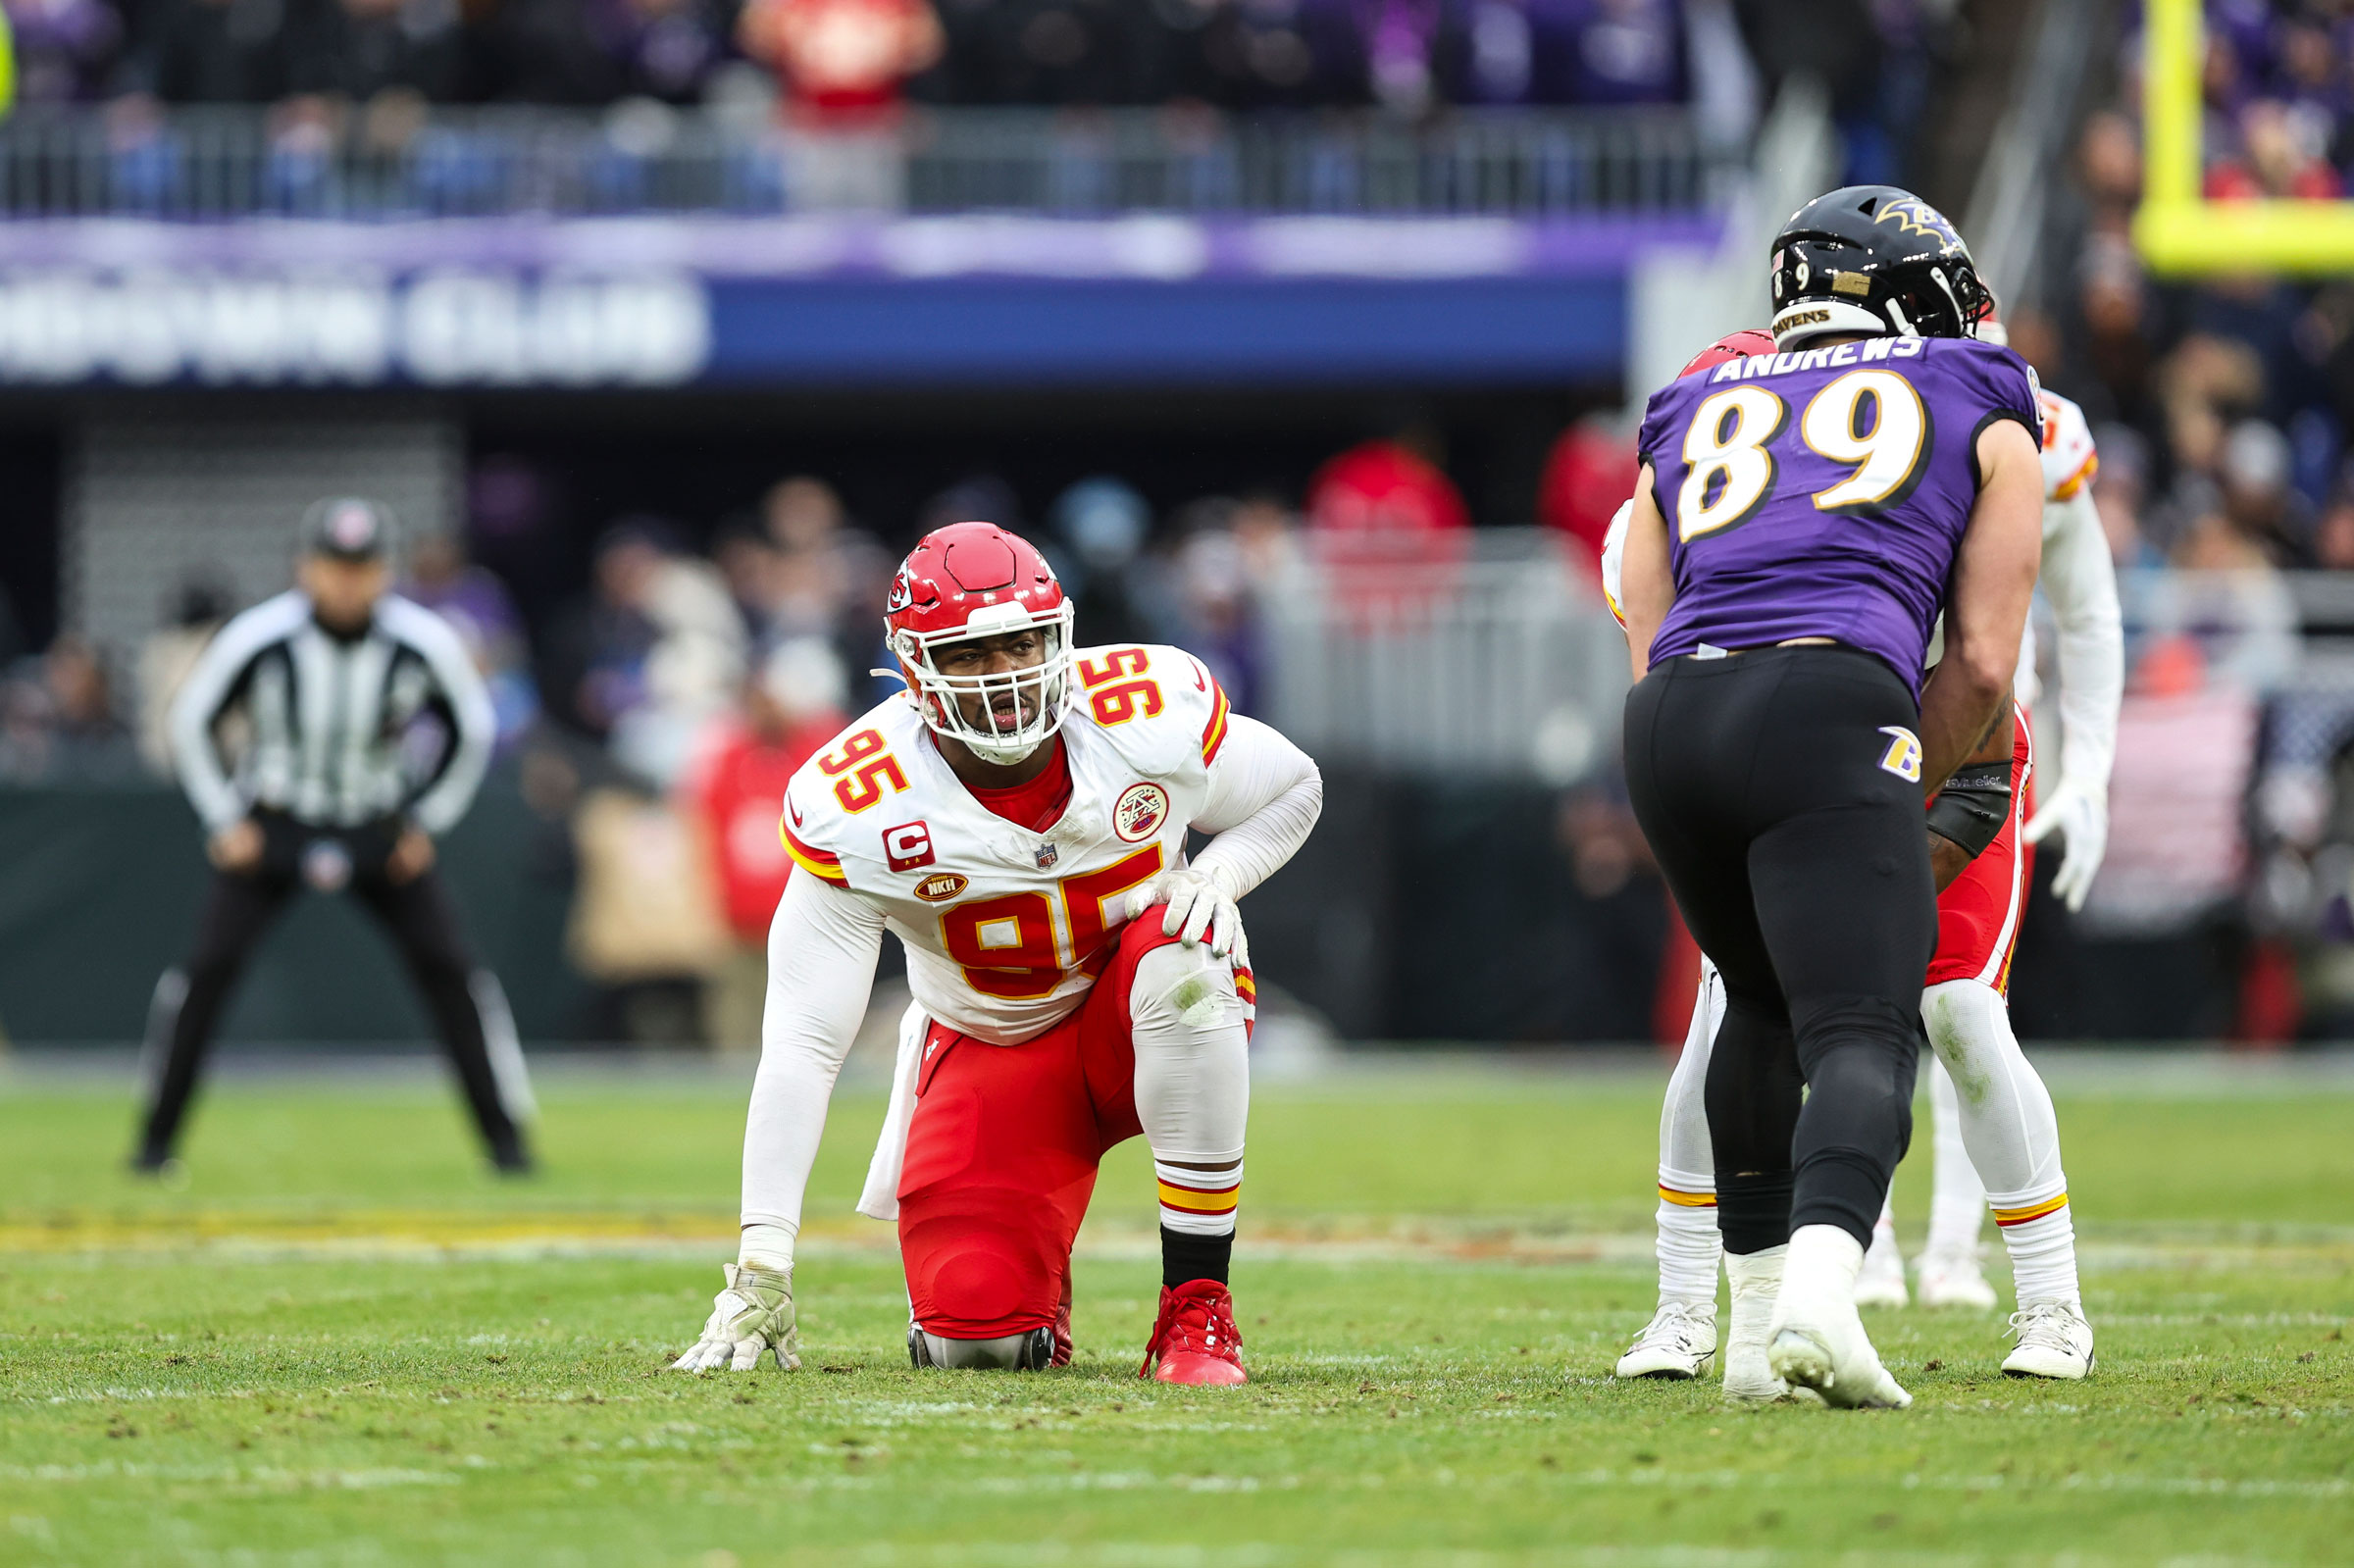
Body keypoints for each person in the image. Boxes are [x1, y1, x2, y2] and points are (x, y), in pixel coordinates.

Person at [671, 522, 1321, 1383]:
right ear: (912, 668)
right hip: (996, 1047)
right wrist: (763, 1259)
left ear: (1061, 637)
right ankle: (1030, 1280)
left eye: (1022, 642)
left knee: (1184, 950)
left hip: (1141, 1017)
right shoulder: (859, 801)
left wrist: (1222, 873)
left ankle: (1196, 1310)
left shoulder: (1145, 713)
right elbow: (803, 1041)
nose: (1006, 674)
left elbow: (1293, 784)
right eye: (971, 653)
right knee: (976, 1343)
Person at [1605, 330, 2116, 1391]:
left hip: (1946, 748)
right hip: (1809, 756)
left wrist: (2089, 763)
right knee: (1739, 1009)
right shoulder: (1706, 444)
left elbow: (2064, 607)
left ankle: (2049, 1303)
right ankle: (1701, 1306)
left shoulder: (1989, 410)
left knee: (1959, 1015)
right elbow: (1656, 629)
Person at [134, 500, 536, 1175]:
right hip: (275, 821)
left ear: (385, 572)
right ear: (306, 567)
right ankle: (155, 1141)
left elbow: (471, 728)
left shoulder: (421, 640)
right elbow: (191, 720)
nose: (348, 582)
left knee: (453, 973)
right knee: (205, 971)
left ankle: (508, 1142)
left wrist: (424, 821)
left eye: (363, 567)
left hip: (378, 822)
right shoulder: (260, 637)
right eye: (335, 566)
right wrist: (225, 820)